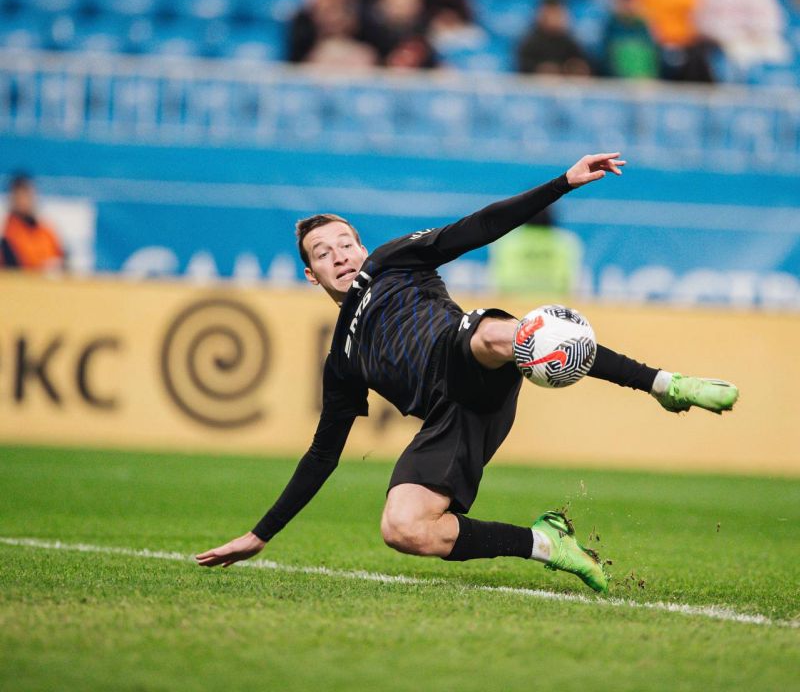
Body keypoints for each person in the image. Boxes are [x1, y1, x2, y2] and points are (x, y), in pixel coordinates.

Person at [196, 153, 739, 593]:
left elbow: (476, 229)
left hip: (467, 353)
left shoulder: (391, 261)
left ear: (361, 247)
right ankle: (547, 543)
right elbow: (323, 454)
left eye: (344, 243)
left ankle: (664, 385)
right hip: (451, 420)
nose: (338, 255)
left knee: (509, 333)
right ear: (311, 275)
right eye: (322, 252)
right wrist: (260, 534)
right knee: (403, 528)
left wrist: (562, 183)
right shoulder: (342, 359)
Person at [516, 0, 592, 76]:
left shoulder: (570, 43)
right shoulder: (529, 43)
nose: (555, 18)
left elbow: (584, 66)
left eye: (558, 13)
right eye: (551, 13)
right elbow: (523, 70)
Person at [0, 174, 65, 271]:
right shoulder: (6, 232)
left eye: (27, 195)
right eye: (19, 196)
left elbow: (62, 259)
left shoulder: (46, 229)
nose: (23, 201)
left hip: (50, 282)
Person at [601, 0, 660, 78]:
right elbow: (606, 60)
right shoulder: (610, 28)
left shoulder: (645, 28)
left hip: (647, 83)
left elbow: (655, 61)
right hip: (619, 84)